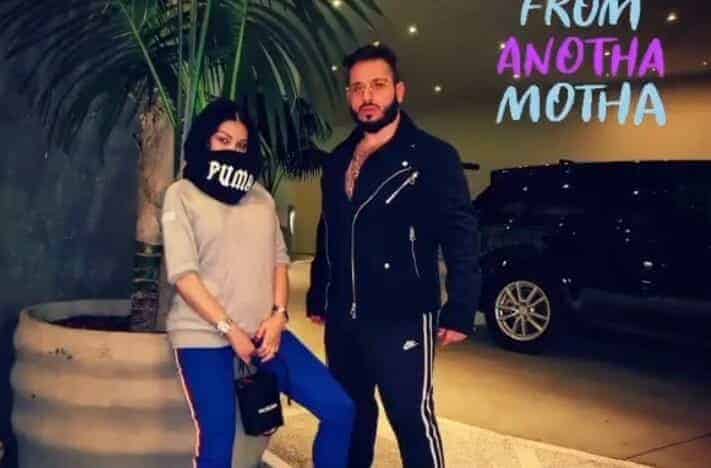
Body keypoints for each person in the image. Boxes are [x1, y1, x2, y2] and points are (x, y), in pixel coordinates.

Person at [306, 44, 481, 468]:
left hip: (403, 312)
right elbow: (329, 230)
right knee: (352, 416)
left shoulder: (433, 156)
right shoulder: (338, 161)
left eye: (378, 85)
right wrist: (319, 293)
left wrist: (461, 306)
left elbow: (461, 234)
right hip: (344, 316)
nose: (367, 96)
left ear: (399, 91)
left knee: (410, 417)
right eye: (357, 88)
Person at [161, 98, 354, 468]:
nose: (233, 151)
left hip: (266, 335)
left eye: (241, 145)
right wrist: (229, 329)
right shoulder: (181, 194)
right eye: (223, 140)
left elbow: (279, 261)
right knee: (218, 443)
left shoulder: (260, 197)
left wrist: (279, 316)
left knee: (339, 409)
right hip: (204, 337)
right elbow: (184, 275)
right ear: (204, 140)